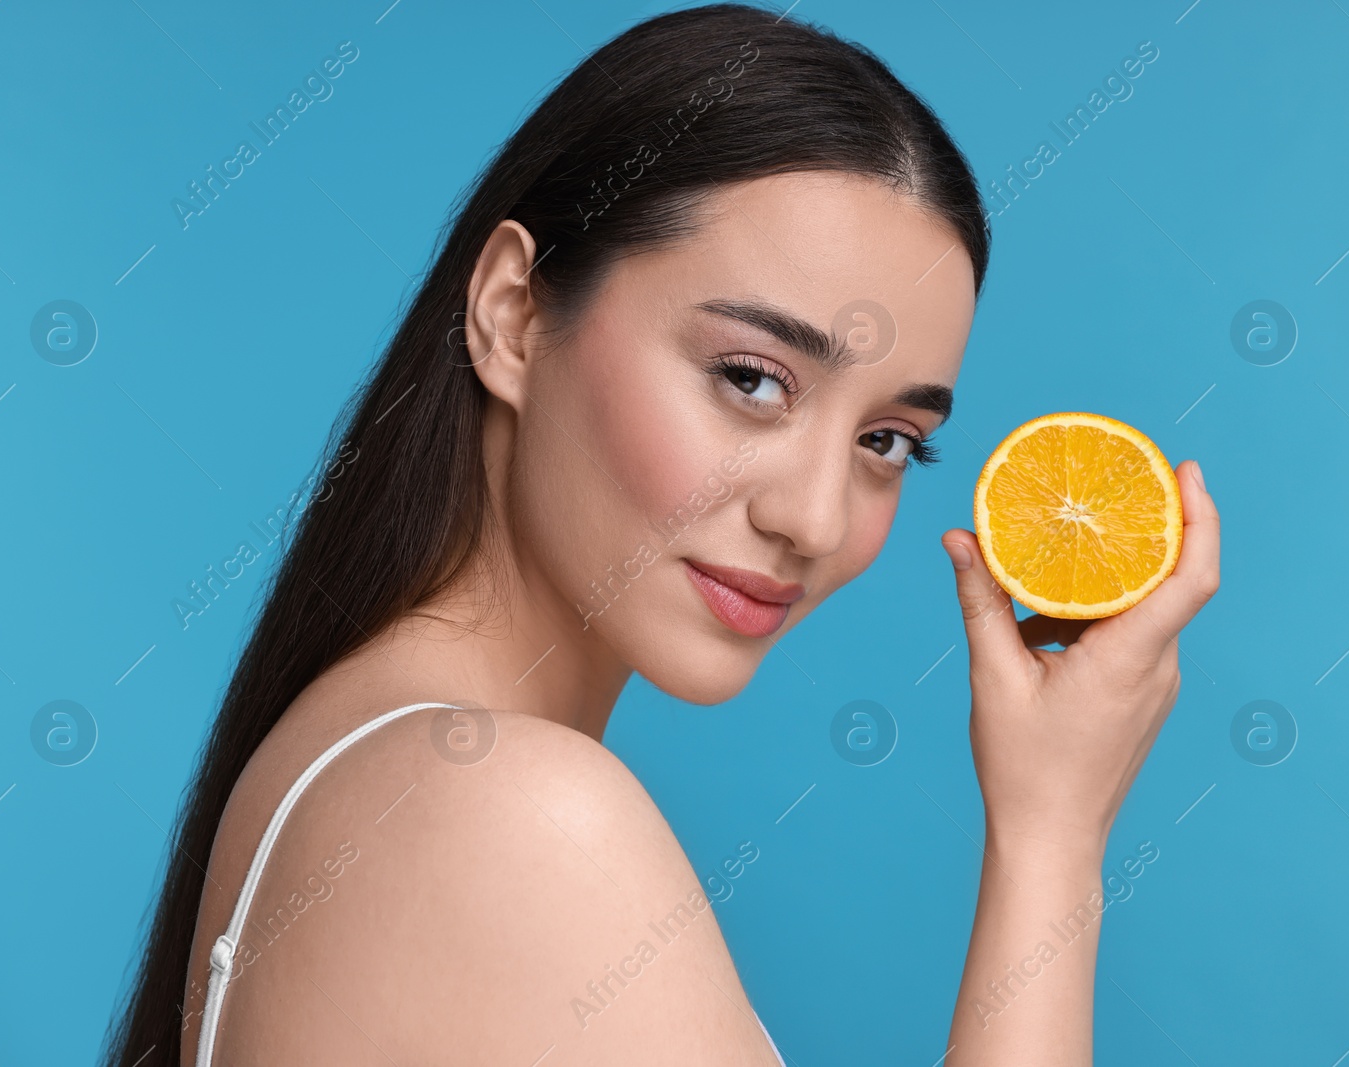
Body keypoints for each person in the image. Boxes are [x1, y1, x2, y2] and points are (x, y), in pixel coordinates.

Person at [101, 4, 1220, 1064]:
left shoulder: (362, 753)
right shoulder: (510, 811)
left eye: (887, 440)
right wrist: (1051, 838)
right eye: (751, 378)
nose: (813, 517)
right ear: (511, 316)